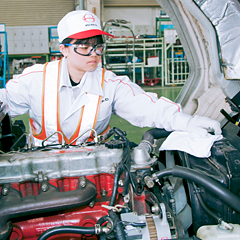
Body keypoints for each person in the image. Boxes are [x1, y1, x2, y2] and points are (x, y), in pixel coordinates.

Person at [0, 10, 221, 146]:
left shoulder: (111, 84)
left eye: (97, 46)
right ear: (64, 49)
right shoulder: (35, 80)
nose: (93, 54)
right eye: (84, 46)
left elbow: (148, 107)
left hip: (94, 171)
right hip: (39, 172)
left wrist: (188, 122)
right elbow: (5, 102)